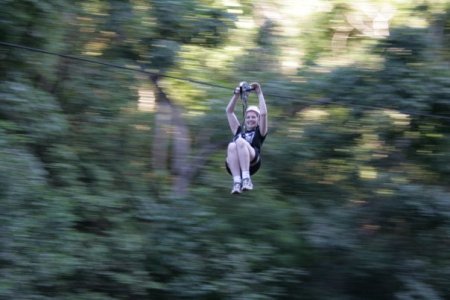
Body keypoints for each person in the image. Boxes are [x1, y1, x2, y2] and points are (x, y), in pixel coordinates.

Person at [225, 82, 268, 194]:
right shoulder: (239, 131)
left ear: (258, 120)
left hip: (253, 162)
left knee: (239, 141)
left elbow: (263, 114)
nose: (250, 119)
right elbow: (229, 112)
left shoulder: (260, 131)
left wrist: (259, 92)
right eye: (248, 117)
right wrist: (236, 95)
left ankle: (246, 179)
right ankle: (237, 182)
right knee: (232, 145)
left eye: (253, 117)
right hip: (234, 166)